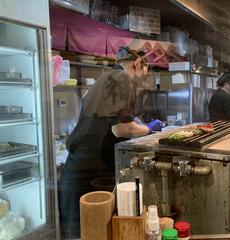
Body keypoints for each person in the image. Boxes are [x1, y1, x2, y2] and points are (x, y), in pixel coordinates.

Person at [58, 46, 163, 238]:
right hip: (91, 176)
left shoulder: (105, 78)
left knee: (78, 234)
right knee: (94, 233)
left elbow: (110, 124)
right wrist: (150, 128)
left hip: (78, 171)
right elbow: (123, 128)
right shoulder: (122, 78)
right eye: (145, 73)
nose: (143, 79)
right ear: (138, 63)